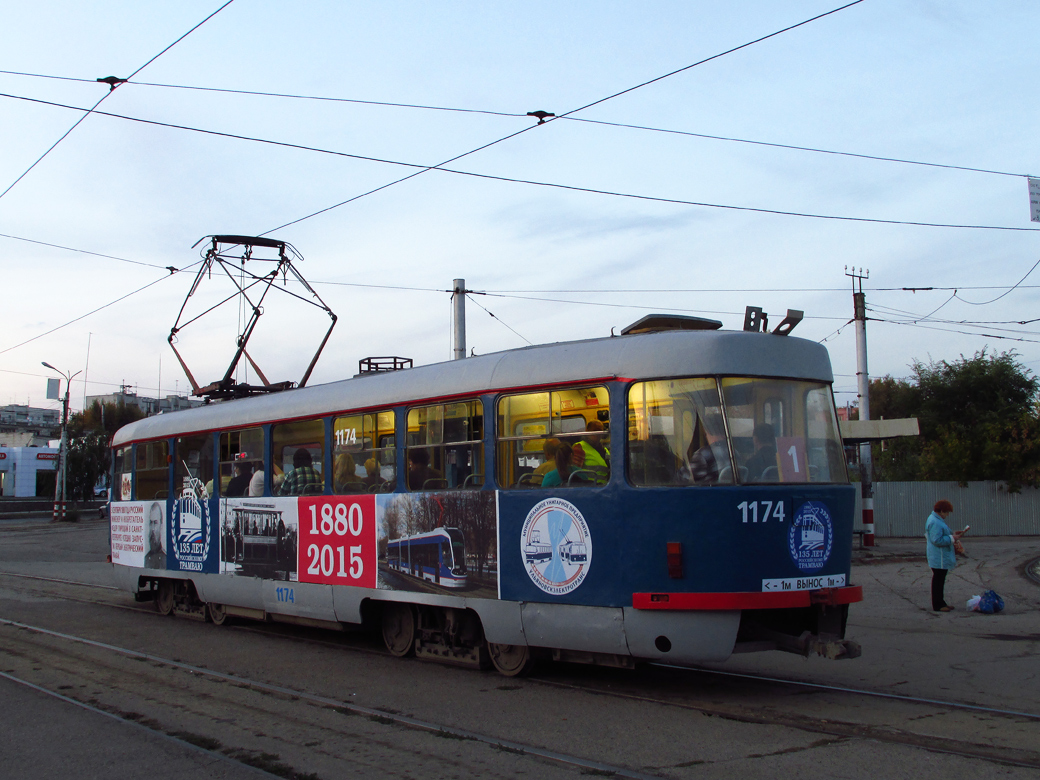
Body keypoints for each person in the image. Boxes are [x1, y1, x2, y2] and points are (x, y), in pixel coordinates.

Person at [925, 499, 965, 612]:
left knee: (940, 579)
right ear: (941, 511)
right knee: (938, 580)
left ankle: (941, 602)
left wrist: (953, 534)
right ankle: (938, 605)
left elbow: (941, 534)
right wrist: (952, 538)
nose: (947, 515)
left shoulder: (936, 520)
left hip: (939, 556)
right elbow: (936, 540)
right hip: (939, 556)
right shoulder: (935, 522)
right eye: (947, 512)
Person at [576, 420, 610, 484]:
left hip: (605, 487)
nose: (597, 433)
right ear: (587, 431)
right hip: (588, 487)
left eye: (600, 431)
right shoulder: (579, 447)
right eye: (595, 430)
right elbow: (574, 473)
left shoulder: (605, 450)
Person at [144, 501, 165, 569]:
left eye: (155, 523)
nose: (152, 528)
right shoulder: (146, 559)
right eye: (151, 523)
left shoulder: (165, 559)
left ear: (161, 526)